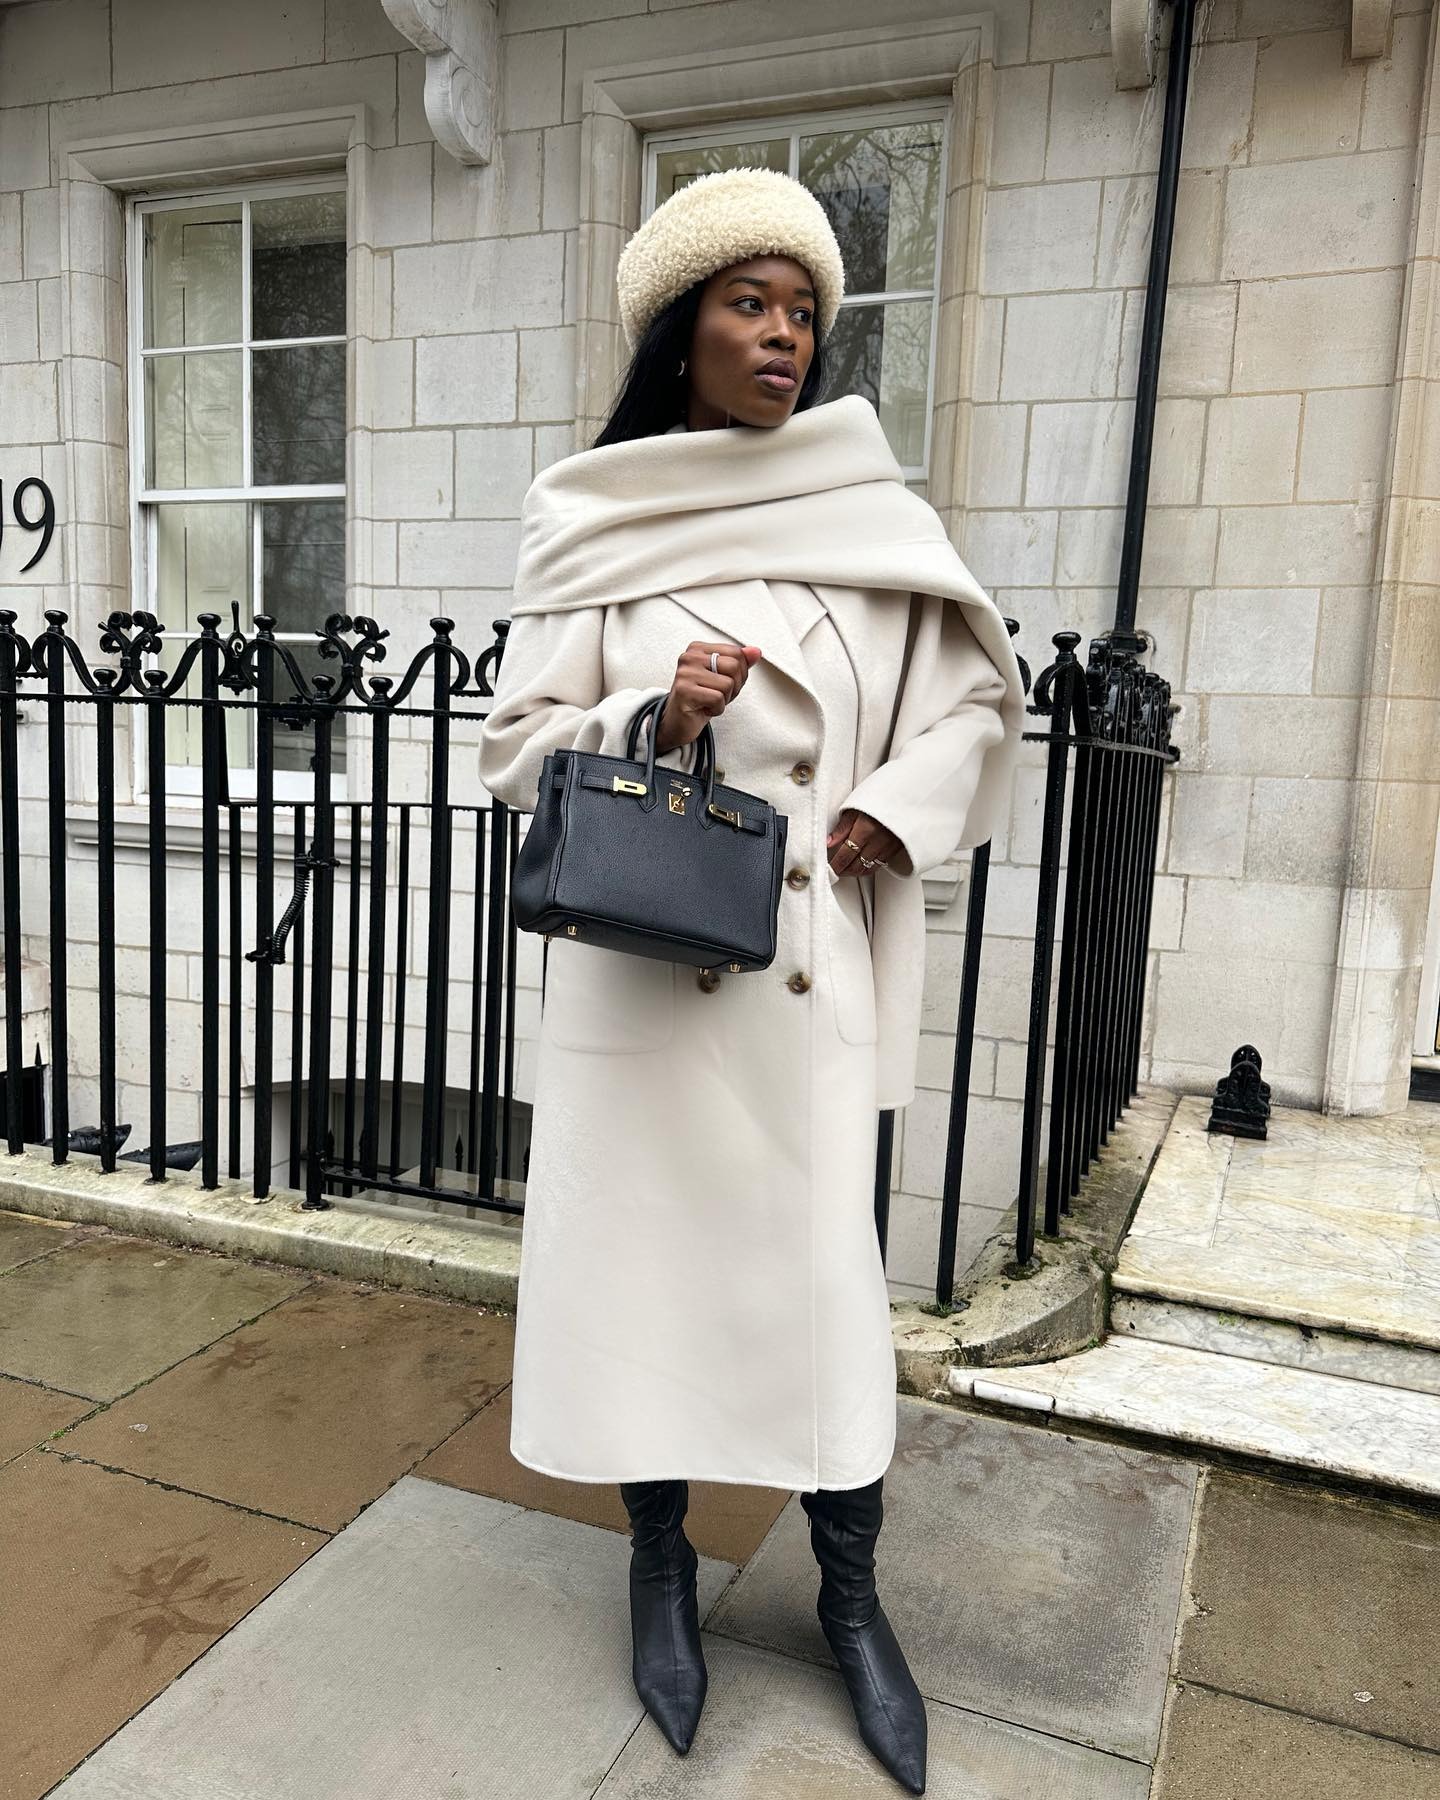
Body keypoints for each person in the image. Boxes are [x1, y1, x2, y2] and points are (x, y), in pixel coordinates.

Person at [477, 166, 1025, 1796]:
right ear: (684, 332)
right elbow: (513, 749)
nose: (784, 338)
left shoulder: (878, 520)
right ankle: (663, 1569)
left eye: (803, 314)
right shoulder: (602, 517)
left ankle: (853, 1603)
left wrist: (886, 809)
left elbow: (977, 714)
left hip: (809, 984)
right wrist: (655, 712)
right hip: (654, 991)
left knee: (827, 1302)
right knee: (648, 1290)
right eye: (751, 307)